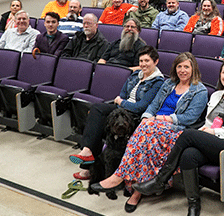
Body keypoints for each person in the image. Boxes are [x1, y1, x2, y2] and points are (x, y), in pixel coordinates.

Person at [132, 59, 224, 216]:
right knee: (188, 156)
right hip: (210, 143)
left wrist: (214, 132)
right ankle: (193, 204)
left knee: (188, 134)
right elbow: (209, 123)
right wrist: (206, 129)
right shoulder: (216, 95)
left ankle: (160, 180)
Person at [90, 52, 208, 212]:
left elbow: (190, 117)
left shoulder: (199, 91)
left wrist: (165, 119)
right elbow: (153, 105)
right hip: (153, 126)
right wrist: (146, 116)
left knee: (145, 130)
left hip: (176, 130)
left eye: (186, 66)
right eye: (179, 66)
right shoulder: (169, 84)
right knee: (145, 132)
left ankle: (120, 178)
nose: (182, 70)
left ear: (193, 68)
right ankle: (137, 190)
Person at [68, 46, 164, 180]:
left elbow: (140, 107)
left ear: (156, 61)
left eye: (147, 61)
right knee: (96, 111)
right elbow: (123, 93)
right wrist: (121, 102)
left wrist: (121, 102)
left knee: (99, 116)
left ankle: (87, 166)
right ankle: (87, 153)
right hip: (121, 108)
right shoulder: (136, 74)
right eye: (141, 61)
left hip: (133, 115)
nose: (143, 64)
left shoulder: (158, 82)